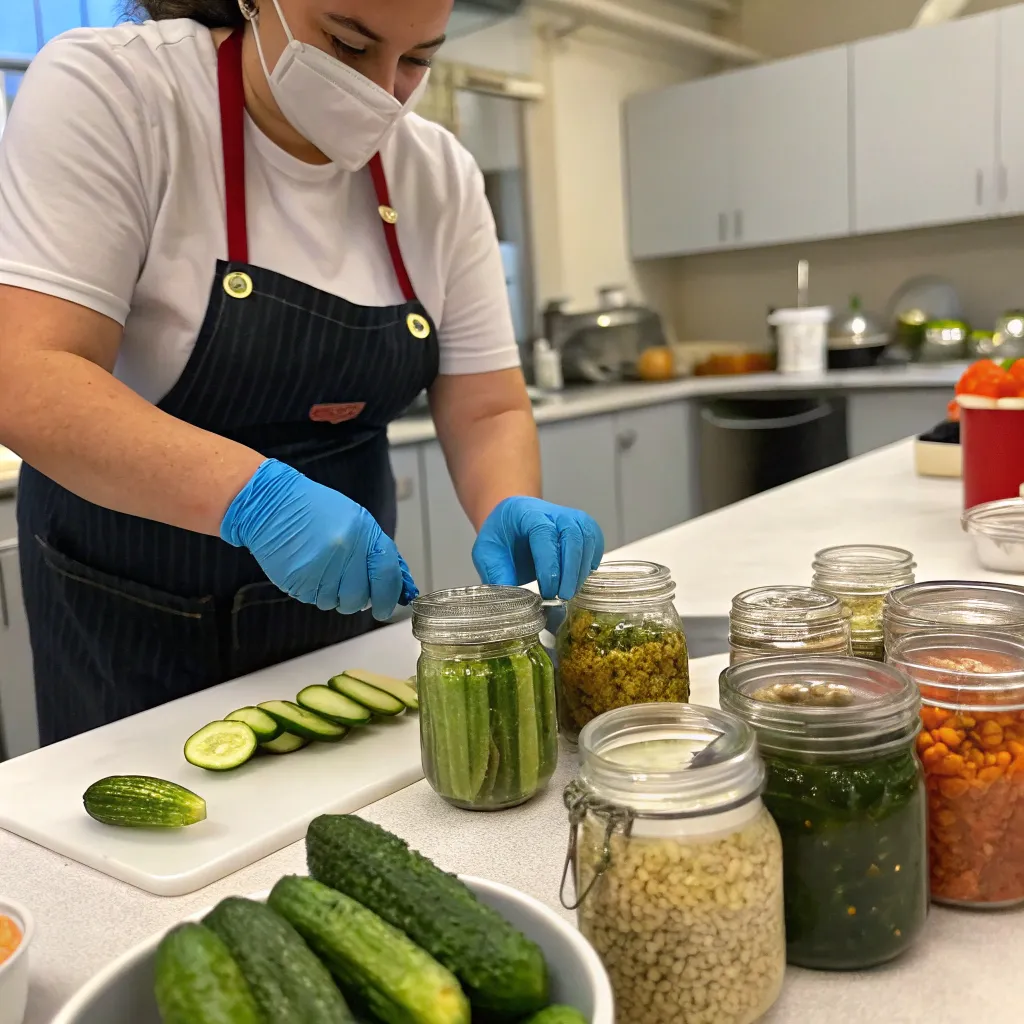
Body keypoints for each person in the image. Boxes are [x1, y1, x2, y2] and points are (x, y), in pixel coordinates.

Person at [0, 0, 604, 745]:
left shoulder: (437, 173)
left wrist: (511, 504)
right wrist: (257, 500)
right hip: (131, 605)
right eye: (349, 44)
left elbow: (486, 408)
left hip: (339, 612)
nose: (386, 91)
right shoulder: (119, 90)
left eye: (417, 60)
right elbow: (28, 373)